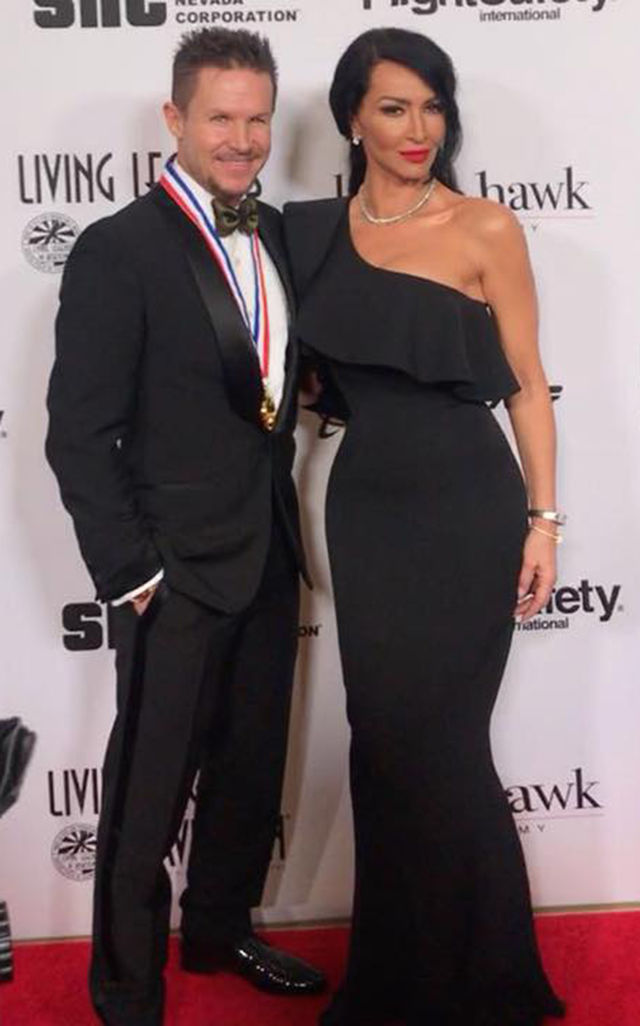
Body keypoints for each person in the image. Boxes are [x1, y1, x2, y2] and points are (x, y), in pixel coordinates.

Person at [284, 27, 566, 1026]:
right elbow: (297, 371)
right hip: (367, 509)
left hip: (466, 505)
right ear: (352, 118)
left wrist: (542, 521)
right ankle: (396, 983)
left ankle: (489, 983)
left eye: (433, 105)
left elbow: (526, 387)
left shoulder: (485, 228)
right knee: (381, 740)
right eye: (394, 106)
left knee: (442, 746)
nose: (418, 128)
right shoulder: (308, 235)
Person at [46, 27, 325, 1026]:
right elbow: (79, 434)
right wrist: (134, 574)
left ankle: (219, 926)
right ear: (175, 118)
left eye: (258, 120)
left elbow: (276, 385)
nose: (242, 139)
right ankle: (126, 986)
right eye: (221, 118)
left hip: (269, 551)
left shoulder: (281, 233)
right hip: (172, 571)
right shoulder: (117, 249)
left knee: (251, 765)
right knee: (148, 788)